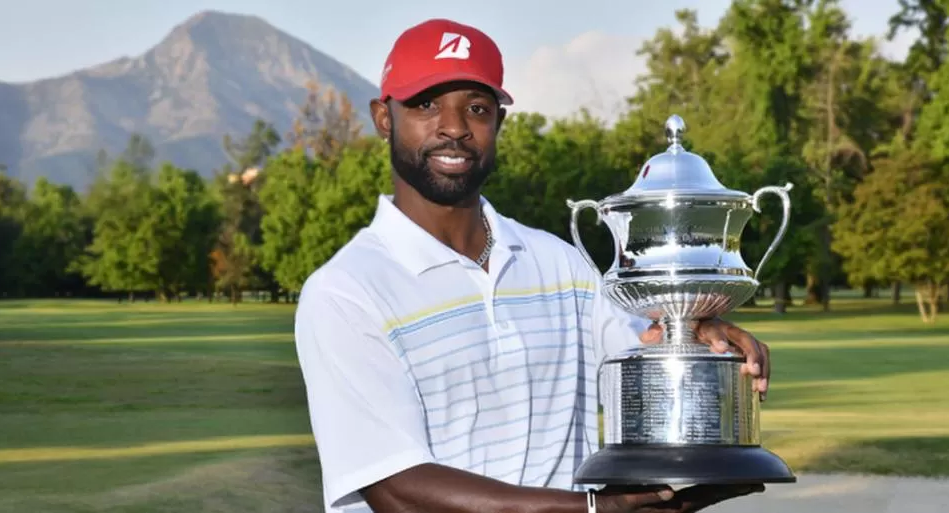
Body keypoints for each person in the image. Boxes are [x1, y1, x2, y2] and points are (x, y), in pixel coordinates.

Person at [294, 18, 771, 513]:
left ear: (498, 122)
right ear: (384, 118)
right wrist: (591, 510)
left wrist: (698, 329)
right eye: (426, 104)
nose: (454, 127)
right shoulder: (345, 291)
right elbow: (396, 490)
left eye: (476, 108)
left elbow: (649, 359)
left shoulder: (562, 265)